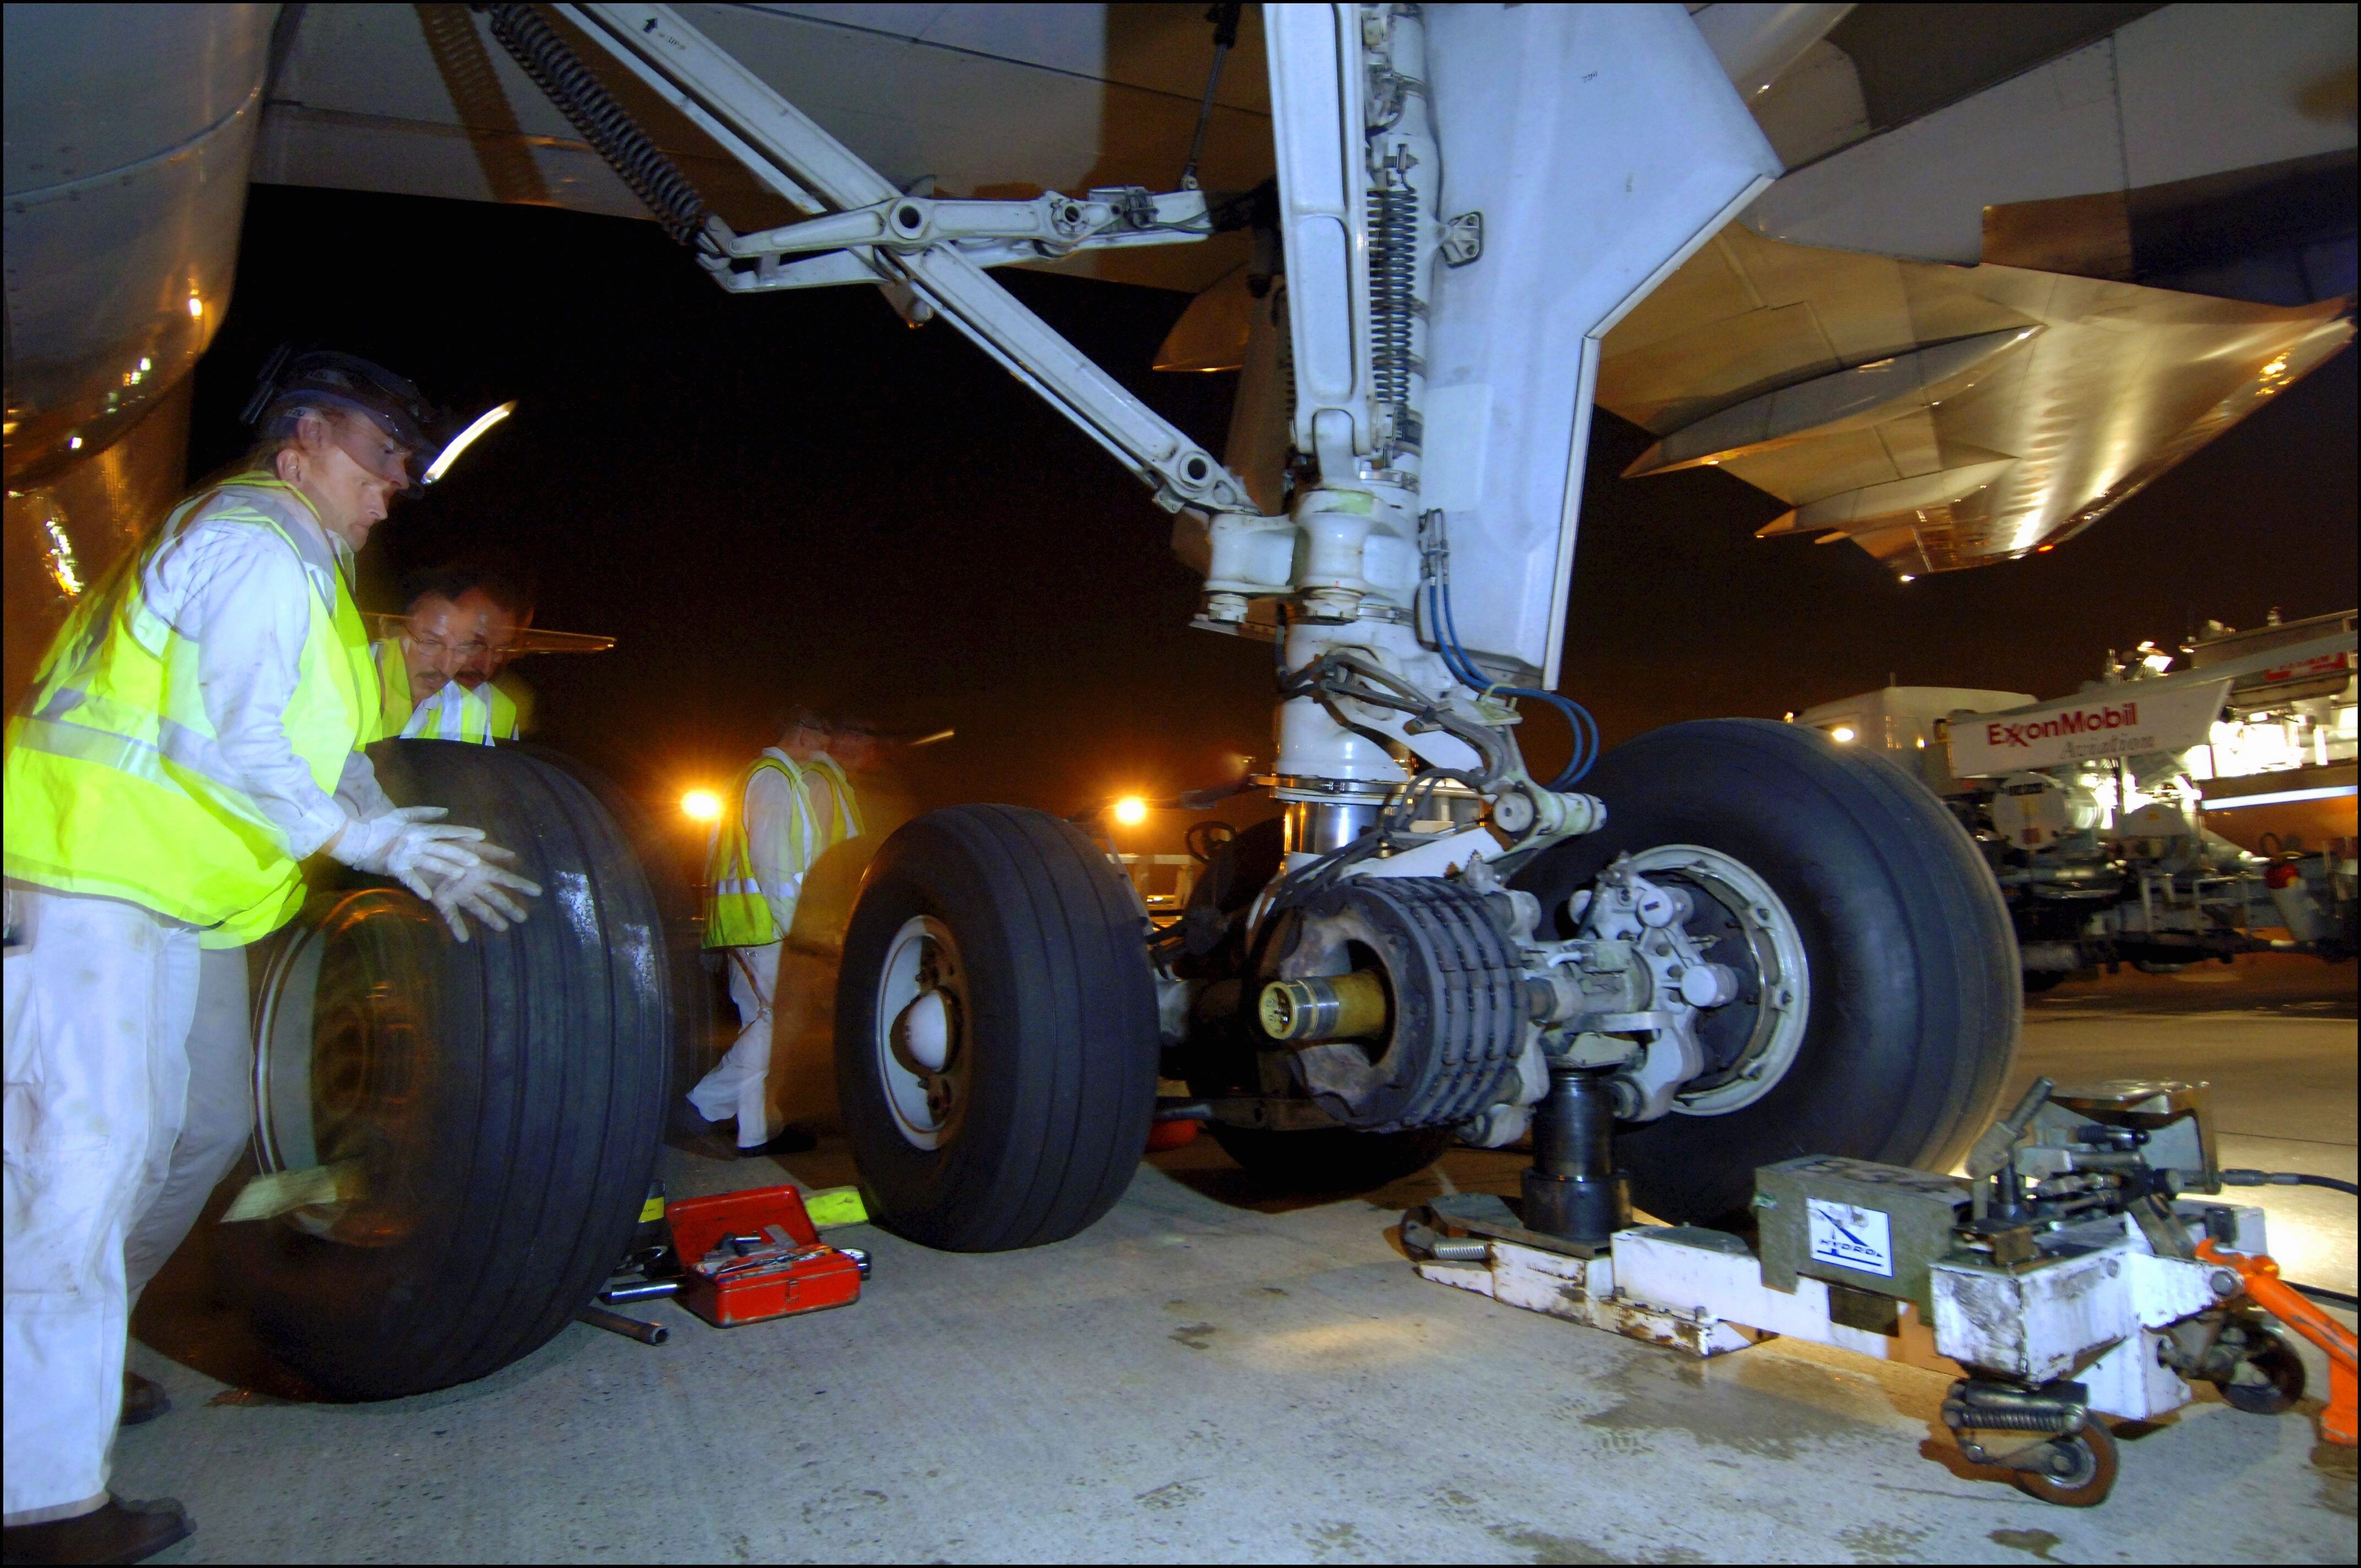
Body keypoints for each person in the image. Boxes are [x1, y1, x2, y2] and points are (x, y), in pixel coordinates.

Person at [2, 351, 540, 1565]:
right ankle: (34, 1495)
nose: (397, 482)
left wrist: (386, 819)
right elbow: (228, 741)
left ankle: (62, 1376)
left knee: (191, 1130)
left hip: (174, 903)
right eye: (382, 451)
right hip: (90, 881)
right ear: (303, 441)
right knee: (74, 1165)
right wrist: (383, 841)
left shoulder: (310, 576)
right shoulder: (256, 539)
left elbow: (322, 747)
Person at [686, 708, 859, 1151]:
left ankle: (755, 1133)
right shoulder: (774, 781)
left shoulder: (761, 777)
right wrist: (797, 928)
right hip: (764, 927)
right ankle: (702, 1106)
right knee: (773, 1024)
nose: (829, 746)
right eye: (824, 735)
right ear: (804, 734)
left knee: (762, 1022)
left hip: (753, 925)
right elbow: (775, 864)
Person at [372, 568, 520, 743]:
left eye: (463, 648)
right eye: (432, 643)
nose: (445, 667)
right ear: (388, 628)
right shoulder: (337, 677)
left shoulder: (469, 714)